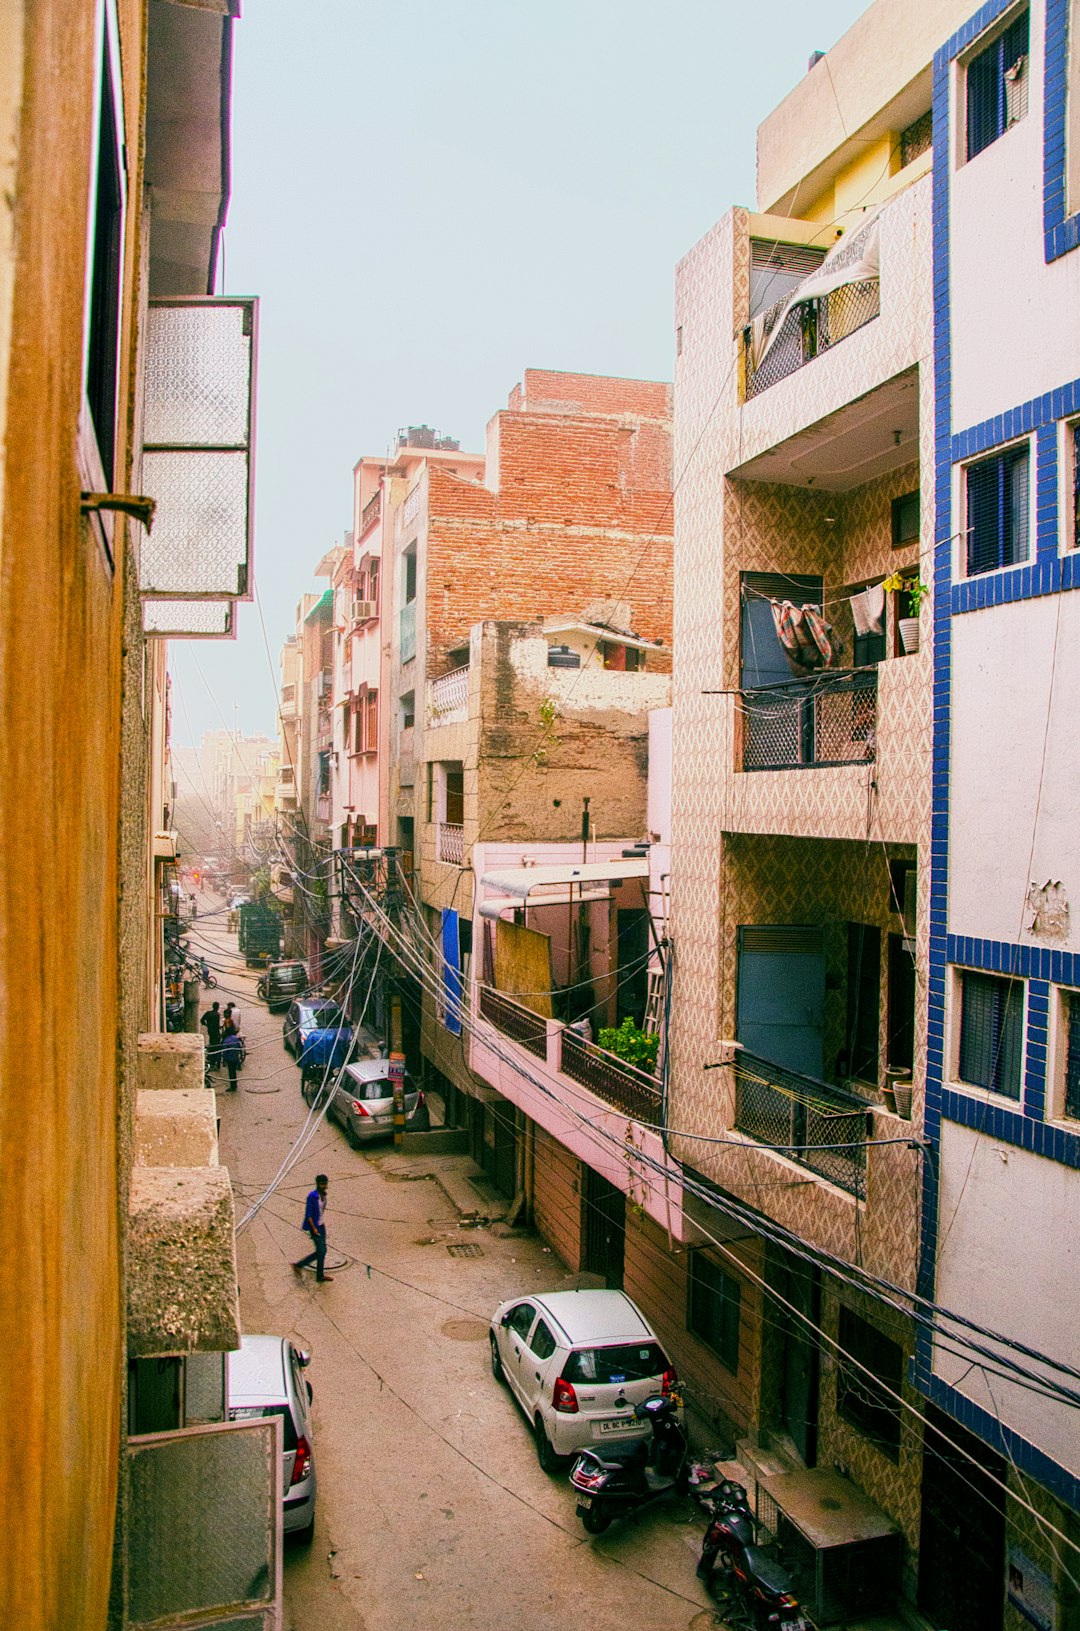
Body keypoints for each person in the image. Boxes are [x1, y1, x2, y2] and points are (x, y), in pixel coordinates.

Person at [293, 1174, 332, 1282]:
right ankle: (299, 1265)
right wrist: (314, 1228)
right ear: (318, 1184)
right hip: (315, 1227)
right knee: (321, 1251)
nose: (324, 1186)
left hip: (321, 1225)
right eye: (322, 1184)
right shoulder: (312, 1196)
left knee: (322, 1251)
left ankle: (319, 1275)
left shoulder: (323, 1195)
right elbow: (308, 1214)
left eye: (325, 1184)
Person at [200, 1000, 222, 1071]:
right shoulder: (217, 1014)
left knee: (212, 1044)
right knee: (216, 1047)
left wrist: (207, 1025)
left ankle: (212, 1060)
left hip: (210, 1031)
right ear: (217, 1008)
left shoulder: (208, 1013)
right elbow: (217, 1025)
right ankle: (215, 1062)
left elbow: (202, 1020)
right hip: (216, 1033)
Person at [220, 1026, 243, 1091]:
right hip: (235, 1057)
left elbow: (224, 1052)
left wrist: (224, 1061)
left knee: (231, 1072)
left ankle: (233, 1086)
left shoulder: (226, 1041)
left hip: (230, 1059)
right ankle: (234, 1085)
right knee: (234, 1072)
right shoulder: (236, 1038)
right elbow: (239, 1047)